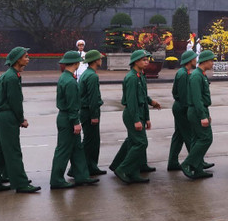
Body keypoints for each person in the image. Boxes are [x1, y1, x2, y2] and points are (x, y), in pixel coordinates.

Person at [0, 47, 40, 193]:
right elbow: (16, 102)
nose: (28, 58)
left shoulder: (7, 75)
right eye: (26, 56)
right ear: (18, 59)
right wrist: (21, 119)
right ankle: (21, 184)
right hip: (7, 117)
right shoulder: (12, 77)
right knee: (13, 151)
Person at [49, 51, 98, 189]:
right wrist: (75, 122)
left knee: (77, 148)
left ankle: (82, 175)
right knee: (63, 150)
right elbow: (71, 105)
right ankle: (56, 179)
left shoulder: (65, 77)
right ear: (76, 63)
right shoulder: (70, 81)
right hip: (68, 119)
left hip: (66, 117)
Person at [112, 50, 162, 184]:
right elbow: (132, 101)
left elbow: (143, 98)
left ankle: (133, 173)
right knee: (141, 143)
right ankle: (122, 168)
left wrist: (147, 117)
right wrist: (136, 120)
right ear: (136, 62)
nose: (147, 62)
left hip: (139, 113)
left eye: (147, 59)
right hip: (132, 114)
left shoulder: (140, 76)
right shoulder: (132, 78)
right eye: (144, 59)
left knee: (134, 142)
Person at [181, 50, 216, 180]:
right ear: (205, 61)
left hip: (200, 110)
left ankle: (198, 168)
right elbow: (197, 99)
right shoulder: (196, 76)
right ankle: (187, 163)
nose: (212, 63)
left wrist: (206, 114)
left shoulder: (200, 74)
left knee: (197, 140)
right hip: (196, 112)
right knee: (206, 138)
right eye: (211, 61)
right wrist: (202, 116)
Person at [167, 50, 199, 171]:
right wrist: (190, 111)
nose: (196, 61)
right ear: (190, 60)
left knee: (179, 136)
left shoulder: (184, 73)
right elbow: (184, 96)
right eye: (195, 59)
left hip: (179, 107)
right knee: (189, 135)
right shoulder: (183, 75)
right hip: (182, 108)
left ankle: (173, 162)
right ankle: (196, 161)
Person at [78, 49, 106, 176]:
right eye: (100, 58)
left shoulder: (86, 73)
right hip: (89, 112)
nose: (101, 60)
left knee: (92, 141)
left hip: (85, 111)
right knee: (90, 142)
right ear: (95, 60)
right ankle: (79, 169)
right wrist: (94, 115)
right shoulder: (92, 76)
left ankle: (91, 166)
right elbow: (93, 98)